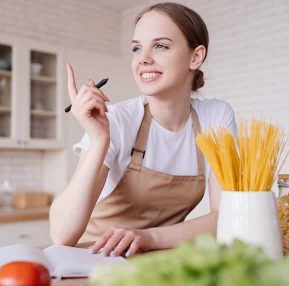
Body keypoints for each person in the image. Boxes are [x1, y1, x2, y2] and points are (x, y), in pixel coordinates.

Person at [49, 2, 237, 257]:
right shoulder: (117, 119)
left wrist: (147, 238)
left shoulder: (215, 117)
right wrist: (98, 139)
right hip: (94, 261)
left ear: (196, 57)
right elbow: (61, 234)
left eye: (160, 46)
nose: (143, 59)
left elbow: (226, 218)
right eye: (137, 48)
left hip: (158, 260)